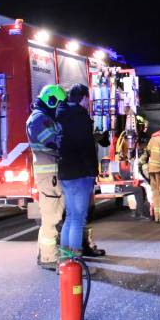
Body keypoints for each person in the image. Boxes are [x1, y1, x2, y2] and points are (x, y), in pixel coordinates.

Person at [56, 84, 105, 257]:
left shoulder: (60, 115)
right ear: (84, 97)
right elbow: (86, 148)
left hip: (65, 173)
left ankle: (64, 258)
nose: (88, 102)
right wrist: (93, 172)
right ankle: (75, 260)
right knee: (78, 218)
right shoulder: (80, 116)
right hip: (81, 173)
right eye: (88, 99)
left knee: (70, 216)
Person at [26, 84, 67, 271]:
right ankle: (49, 257)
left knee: (55, 214)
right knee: (51, 216)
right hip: (48, 174)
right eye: (58, 104)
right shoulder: (39, 119)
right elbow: (54, 142)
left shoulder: (43, 117)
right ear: (51, 101)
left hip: (51, 174)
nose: (59, 108)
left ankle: (46, 253)